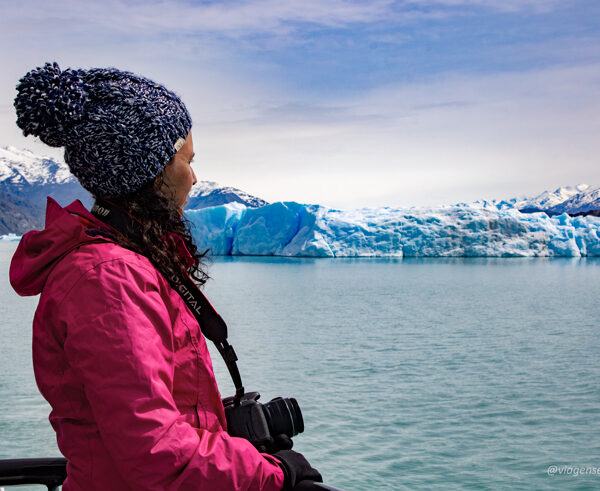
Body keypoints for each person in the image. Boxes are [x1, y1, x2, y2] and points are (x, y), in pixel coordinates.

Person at [9, 62, 322, 490]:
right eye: (186, 160)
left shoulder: (124, 264)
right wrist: (273, 473)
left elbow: (147, 420)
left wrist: (234, 441)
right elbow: (155, 452)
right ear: (150, 170)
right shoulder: (108, 280)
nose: (193, 179)